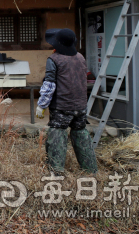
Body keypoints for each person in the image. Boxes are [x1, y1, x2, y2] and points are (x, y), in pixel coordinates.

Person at [35, 28, 98, 174]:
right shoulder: (81, 57)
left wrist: (42, 105)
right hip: (81, 106)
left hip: (62, 106)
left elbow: (49, 85)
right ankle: (90, 170)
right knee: (81, 134)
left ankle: (56, 172)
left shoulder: (54, 59)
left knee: (57, 136)